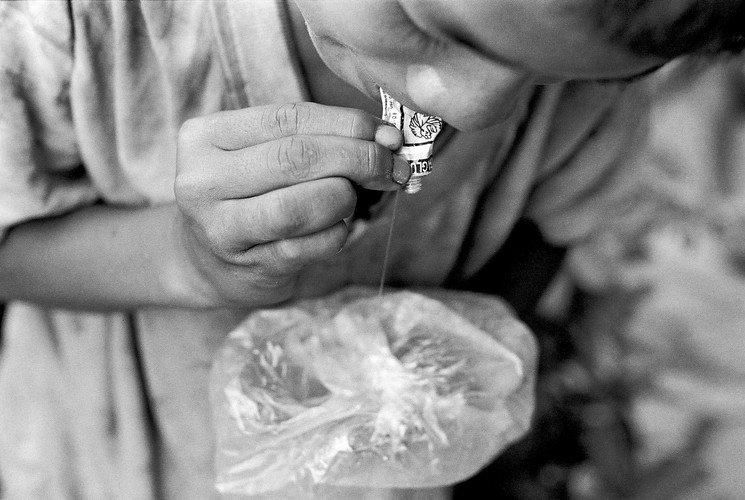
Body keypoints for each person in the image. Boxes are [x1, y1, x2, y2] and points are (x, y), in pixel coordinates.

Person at [0, 0, 742, 498]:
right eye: (437, 29)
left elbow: (553, 224)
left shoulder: (589, 70)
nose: (473, 105)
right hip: (118, 455)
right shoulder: (68, 28)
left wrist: (450, 357)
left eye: (548, 76)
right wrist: (184, 260)